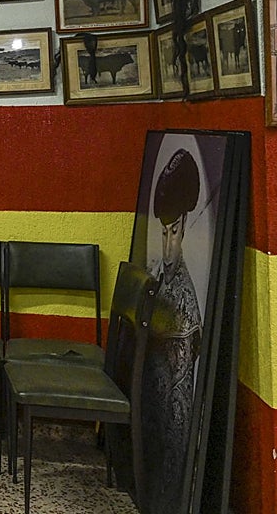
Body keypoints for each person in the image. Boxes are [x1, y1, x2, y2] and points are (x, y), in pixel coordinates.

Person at [141, 146, 203, 513]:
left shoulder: (184, 303)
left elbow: (179, 417)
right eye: (163, 233)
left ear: (185, 227)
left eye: (175, 232)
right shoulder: (152, 271)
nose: (167, 245)